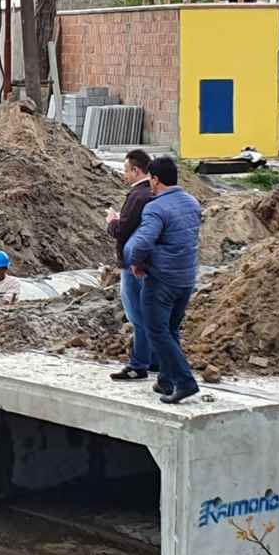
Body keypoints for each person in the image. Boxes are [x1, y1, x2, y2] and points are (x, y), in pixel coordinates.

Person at [123, 157, 202, 405]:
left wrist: (135, 261)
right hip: (186, 278)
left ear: (155, 179)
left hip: (162, 280)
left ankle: (185, 382)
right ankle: (166, 380)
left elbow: (143, 241)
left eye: (152, 181)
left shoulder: (156, 207)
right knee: (171, 329)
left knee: (157, 330)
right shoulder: (192, 202)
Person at [106, 149, 155, 381]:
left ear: (136, 170)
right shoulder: (156, 193)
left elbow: (122, 230)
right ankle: (155, 359)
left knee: (137, 315)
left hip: (133, 263)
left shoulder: (138, 196)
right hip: (151, 262)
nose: (124, 175)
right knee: (152, 314)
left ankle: (139, 364)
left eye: (126, 170)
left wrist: (112, 222)